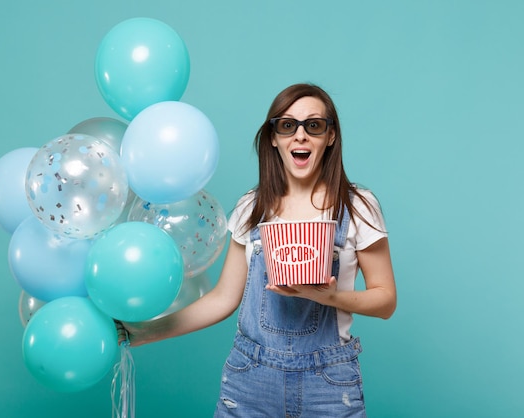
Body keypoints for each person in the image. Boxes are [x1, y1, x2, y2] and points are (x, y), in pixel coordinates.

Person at [119, 83, 396, 417]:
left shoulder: (358, 207)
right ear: (273, 138)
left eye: (314, 125)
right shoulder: (252, 206)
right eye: (287, 125)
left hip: (328, 381)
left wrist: (330, 297)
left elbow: (385, 301)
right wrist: (145, 333)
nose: (301, 136)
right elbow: (223, 298)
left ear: (330, 136)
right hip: (250, 377)